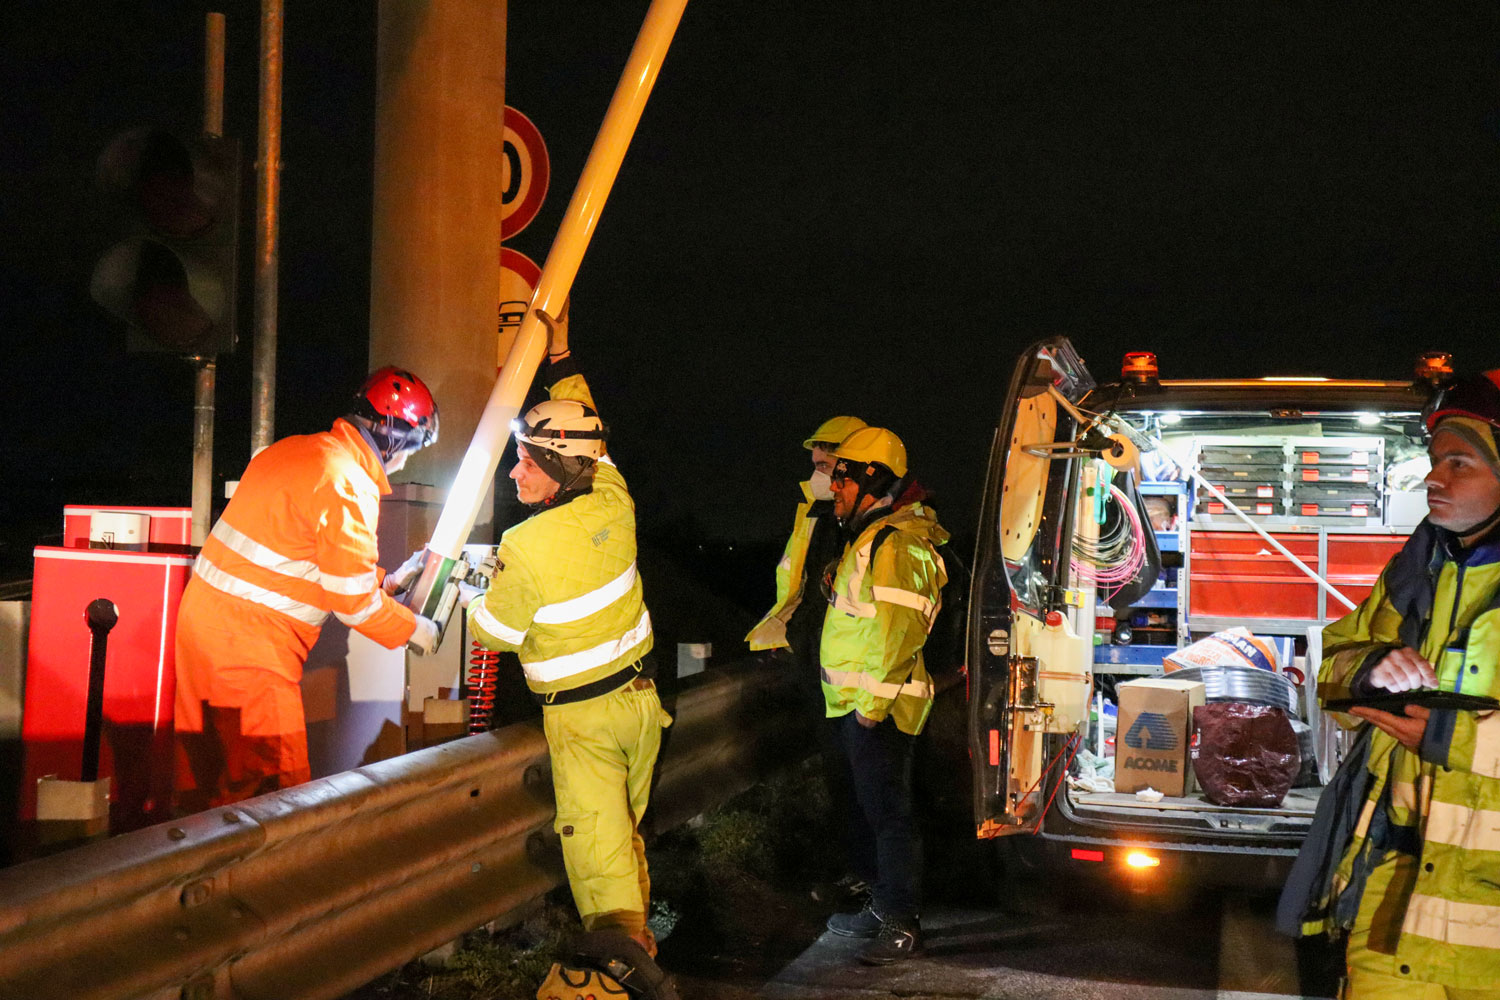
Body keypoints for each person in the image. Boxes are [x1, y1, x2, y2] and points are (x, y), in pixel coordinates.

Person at [467, 303, 670, 962]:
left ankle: (621, 972)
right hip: (639, 709)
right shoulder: (614, 497)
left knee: (600, 869)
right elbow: (591, 435)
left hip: (583, 724)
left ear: (554, 470)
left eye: (524, 462)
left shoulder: (525, 545)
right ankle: (640, 950)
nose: (514, 473)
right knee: (624, 844)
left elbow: (494, 633)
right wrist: (562, 360)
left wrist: (468, 585)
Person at [174, 366, 442, 812]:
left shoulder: (294, 450)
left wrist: (389, 581)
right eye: (412, 449)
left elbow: (297, 555)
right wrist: (417, 629)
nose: (406, 461)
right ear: (395, 437)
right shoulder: (349, 482)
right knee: (273, 789)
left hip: (202, 629)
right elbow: (354, 604)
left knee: (206, 777)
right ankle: (260, 883)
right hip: (250, 650)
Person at [1310, 370, 1500, 997]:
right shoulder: (1419, 569)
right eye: (1432, 460)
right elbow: (1333, 663)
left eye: (1459, 463)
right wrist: (1367, 668)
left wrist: (1458, 738)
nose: (1433, 478)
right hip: (1392, 903)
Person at [818, 426, 948, 965]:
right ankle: (883, 905)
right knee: (877, 814)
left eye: (842, 478)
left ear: (871, 478)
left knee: (891, 817)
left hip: (880, 709)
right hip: (862, 705)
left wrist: (871, 709)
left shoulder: (896, 541)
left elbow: (900, 630)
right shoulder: (878, 537)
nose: (836, 490)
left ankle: (901, 919)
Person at [746, 414, 870, 904]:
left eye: (827, 463)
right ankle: (859, 875)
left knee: (861, 783)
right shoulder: (817, 511)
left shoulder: (860, 522)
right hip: (821, 666)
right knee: (844, 780)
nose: (818, 472)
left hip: (852, 676)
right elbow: (798, 586)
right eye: (816, 463)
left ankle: (872, 886)